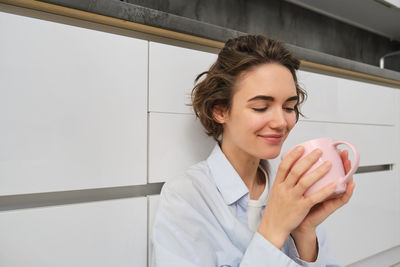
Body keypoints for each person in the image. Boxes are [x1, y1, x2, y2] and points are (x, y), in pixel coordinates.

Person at [151, 34, 355, 267]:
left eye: (289, 106)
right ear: (220, 111)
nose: (281, 122)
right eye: (261, 107)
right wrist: (273, 232)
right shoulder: (187, 197)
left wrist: (304, 233)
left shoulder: (292, 186)